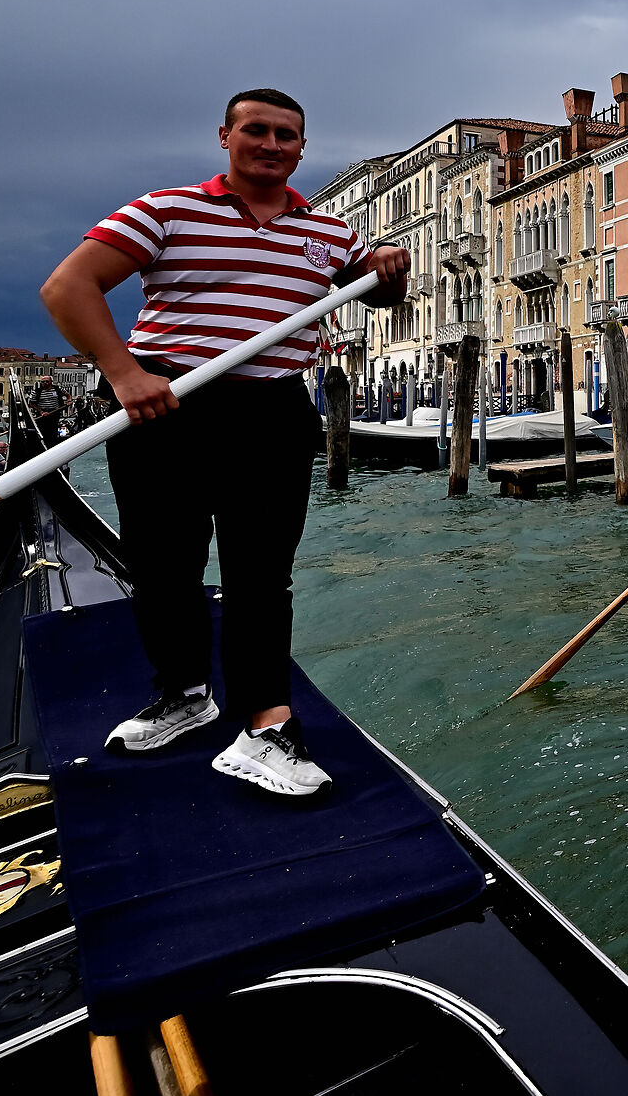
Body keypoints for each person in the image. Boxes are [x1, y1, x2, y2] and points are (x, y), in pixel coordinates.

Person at [40, 89, 409, 797]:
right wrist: (124, 373)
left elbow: (378, 292)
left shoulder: (331, 233)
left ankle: (266, 726)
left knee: (261, 574)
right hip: (165, 404)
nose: (271, 144)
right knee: (162, 566)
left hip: (272, 410)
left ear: (301, 148)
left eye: (285, 135)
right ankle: (184, 693)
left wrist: (388, 263)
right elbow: (68, 287)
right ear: (225, 137)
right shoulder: (165, 210)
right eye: (256, 130)